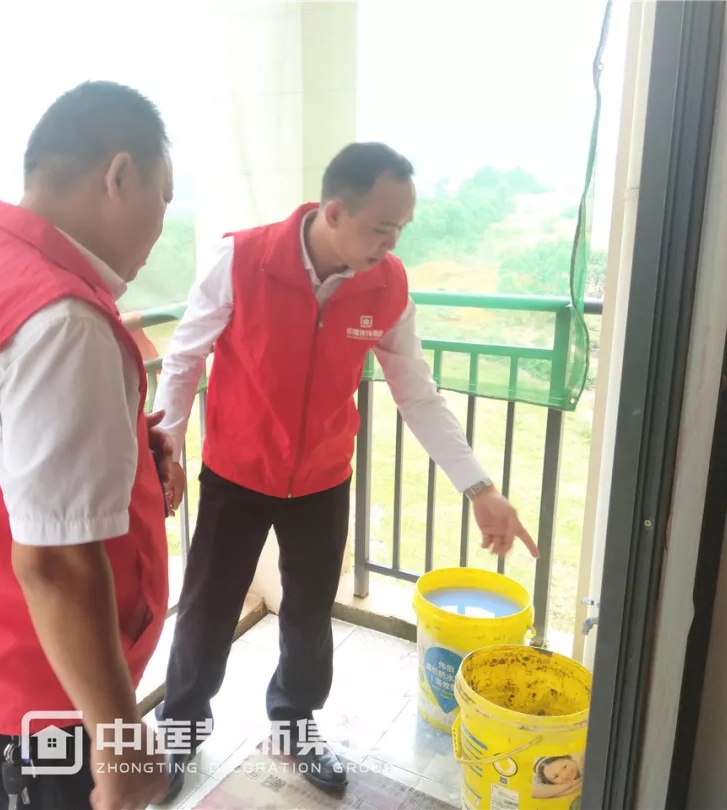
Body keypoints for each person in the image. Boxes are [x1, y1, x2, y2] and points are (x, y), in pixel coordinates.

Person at [152, 142, 540, 799]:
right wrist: (170, 440)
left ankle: (294, 724)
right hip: (237, 474)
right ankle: (180, 726)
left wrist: (480, 488)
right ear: (334, 212)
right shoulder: (241, 259)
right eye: (382, 227)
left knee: (308, 614)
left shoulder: (386, 285)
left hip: (323, 480)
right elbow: (186, 355)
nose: (392, 244)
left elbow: (417, 393)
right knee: (206, 611)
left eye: (401, 229)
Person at [0, 80, 183, 810]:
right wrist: (120, 739)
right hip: (39, 698)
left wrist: (126, 448)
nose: (161, 224)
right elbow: (56, 564)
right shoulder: (62, 321)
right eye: (163, 195)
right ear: (119, 176)